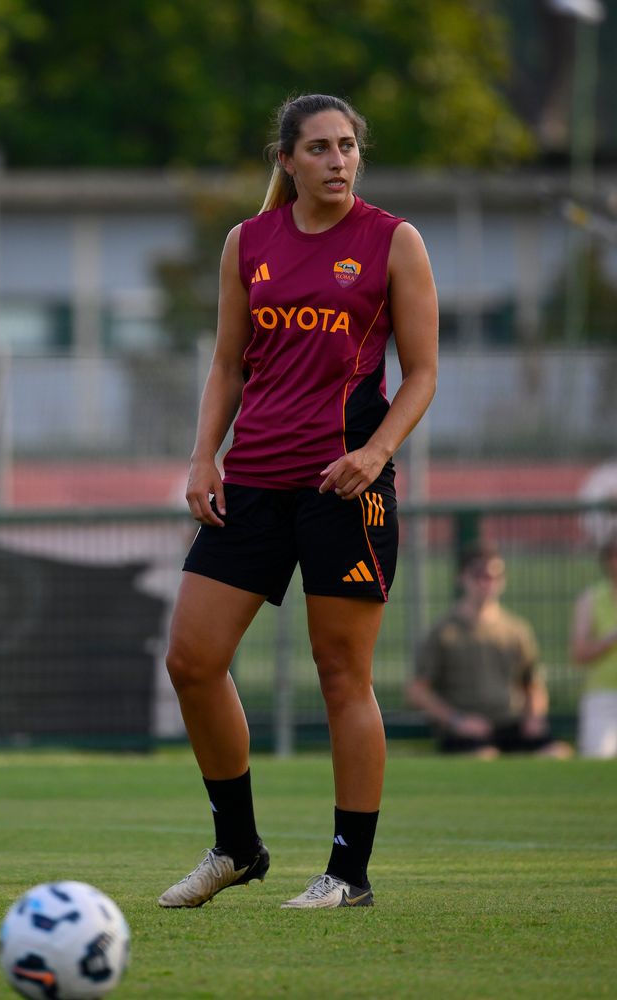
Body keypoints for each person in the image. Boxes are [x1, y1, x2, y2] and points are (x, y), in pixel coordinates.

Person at [158, 93, 438, 910]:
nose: (338, 161)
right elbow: (227, 366)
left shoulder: (393, 241)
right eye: (318, 148)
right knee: (192, 660)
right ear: (286, 160)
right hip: (249, 482)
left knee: (341, 674)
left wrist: (375, 453)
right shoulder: (249, 243)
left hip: (343, 488)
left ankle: (348, 875)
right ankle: (237, 848)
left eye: (348, 146)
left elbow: (421, 372)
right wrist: (203, 456)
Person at [406, 541, 571, 758]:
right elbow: (418, 690)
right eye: (478, 575)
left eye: (494, 576)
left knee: (556, 753)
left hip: (511, 723)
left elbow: (533, 685)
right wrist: (457, 720)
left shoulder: (517, 630)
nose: (486, 583)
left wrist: (533, 718)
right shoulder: (443, 631)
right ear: (461, 578)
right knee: (484, 756)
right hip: (465, 729)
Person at [570, 535, 617, 758]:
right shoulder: (591, 599)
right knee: (597, 758)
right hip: (603, 694)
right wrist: (610, 640)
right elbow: (579, 654)